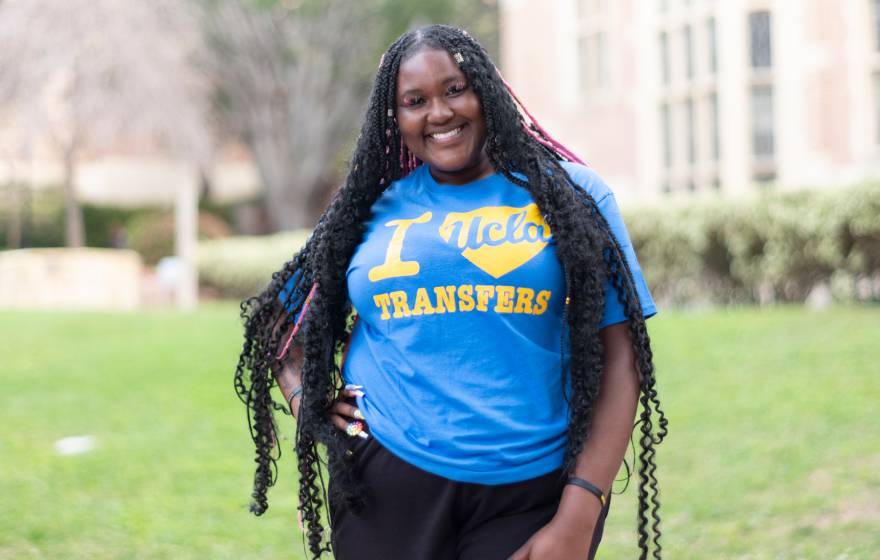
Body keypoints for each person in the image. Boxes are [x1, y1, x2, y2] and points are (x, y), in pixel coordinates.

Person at [234, 24, 667, 560]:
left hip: (528, 491)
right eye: (415, 101)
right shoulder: (369, 208)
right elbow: (277, 321)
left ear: (488, 91)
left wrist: (580, 511)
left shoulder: (573, 195)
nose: (439, 113)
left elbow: (623, 357)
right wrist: (309, 404)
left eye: (455, 90)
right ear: (394, 117)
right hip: (384, 486)